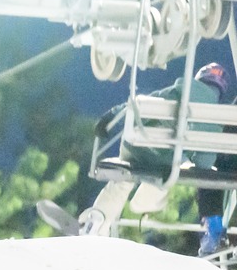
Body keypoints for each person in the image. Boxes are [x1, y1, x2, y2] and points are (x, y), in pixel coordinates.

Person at [78, 59, 234, 251]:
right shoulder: (213, 117)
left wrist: (110, 117)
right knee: (164, 178)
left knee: (122, 181)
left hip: (135, 148)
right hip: (164, 161)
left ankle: (97, 220)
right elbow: (204, 162)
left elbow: (139, 104)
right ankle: (141, 205)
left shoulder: (177, 90)